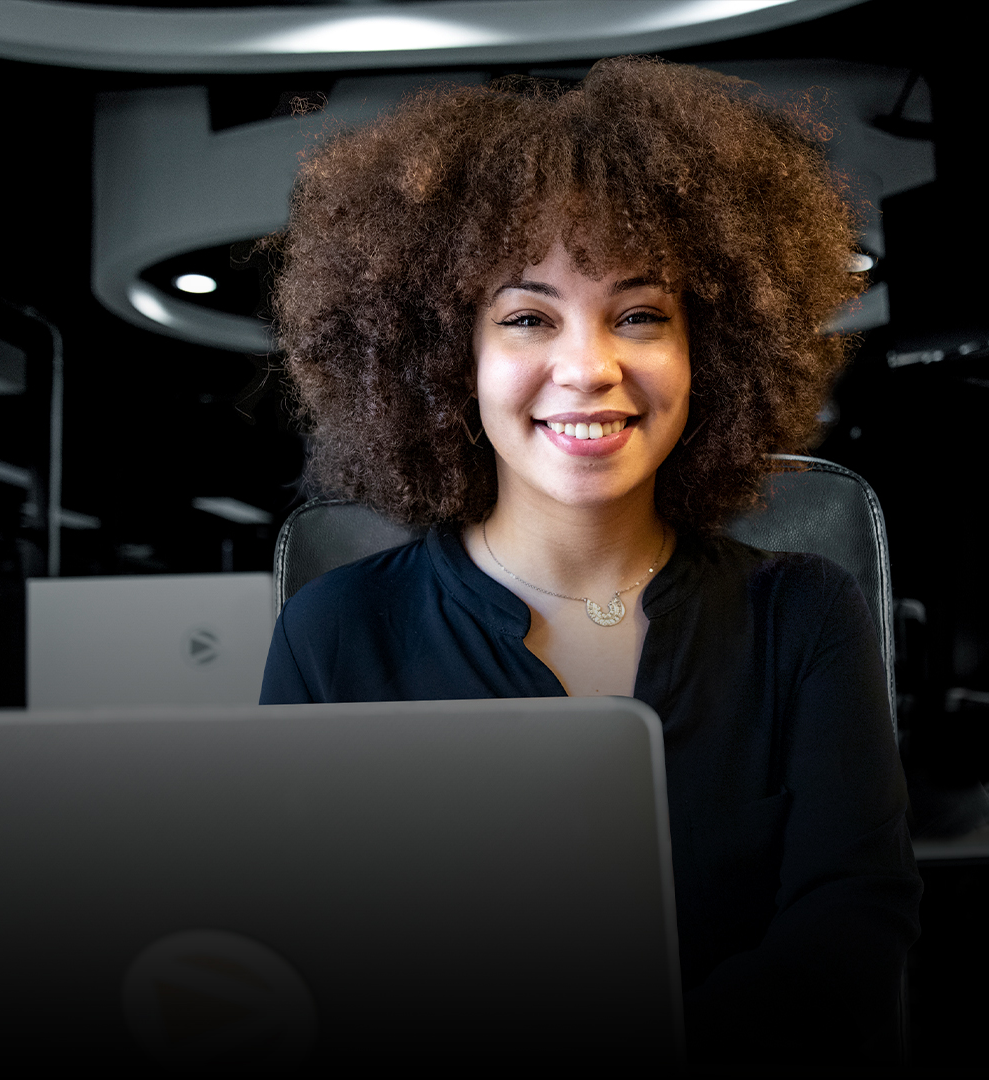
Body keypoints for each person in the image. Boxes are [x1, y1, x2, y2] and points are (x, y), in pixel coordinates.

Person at [258, 57, 920, 1065]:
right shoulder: (335, 633)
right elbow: (300, 955)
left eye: (641, 315)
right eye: (528, 318)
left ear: (714, 351)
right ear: (448, 359)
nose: (589, 366)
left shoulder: (805, 617)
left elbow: (852, 934)